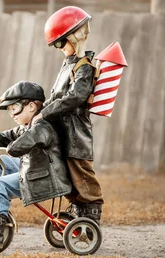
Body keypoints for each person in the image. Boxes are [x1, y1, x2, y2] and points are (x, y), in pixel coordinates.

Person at [0, 81, 72, 247]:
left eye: (14, 108)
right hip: (38, 170)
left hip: (45, 178)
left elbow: (23, 142)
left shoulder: (42, 127)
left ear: (30, 107)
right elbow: (8, 134)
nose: (12, 114)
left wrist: (9, 148)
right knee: (1, 164)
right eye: (9, 110)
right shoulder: (27, 125)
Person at [35, 6, 104, 225]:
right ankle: (76, 211)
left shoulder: (84, 67)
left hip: (76, 132)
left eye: (60, 42)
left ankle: (89, 216)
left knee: (80, 173)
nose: (58, 48)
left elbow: (75, 97)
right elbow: (56, 96)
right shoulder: (68, 64)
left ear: (75, 37)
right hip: (63, 130)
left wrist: (45, 112)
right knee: (67, 173)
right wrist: (37, 112)